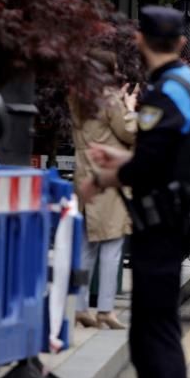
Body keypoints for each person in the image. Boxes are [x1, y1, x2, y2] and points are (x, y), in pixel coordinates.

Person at [79, 6, 190, 378]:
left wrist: (105, 175)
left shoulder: (166, 93)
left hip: (161, 225)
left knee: (156, 337)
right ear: (179, 43)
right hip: (168, 221)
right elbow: (161, 153)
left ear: (141, 41)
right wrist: (121, 159)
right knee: (145, 335)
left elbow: (149, 165)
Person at [69, 50, 138, 331]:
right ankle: (106, 310)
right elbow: (129, 132)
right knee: (111, 245)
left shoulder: (77, 97)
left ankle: (80, 306)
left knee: (86, 246)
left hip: (84, 171)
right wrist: (129, 105)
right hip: (106, 175)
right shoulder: (110, 100)